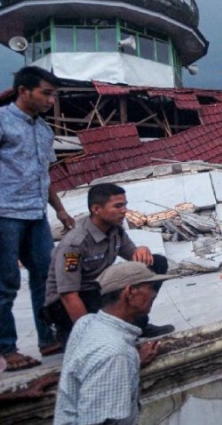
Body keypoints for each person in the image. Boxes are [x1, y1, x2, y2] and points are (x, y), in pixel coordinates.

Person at [0, 66, 74, 371]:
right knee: (6, 283)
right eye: (46, 93)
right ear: (23, 91)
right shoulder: (3, 120)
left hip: (36, 215)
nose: (51, 100)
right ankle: (7, 350)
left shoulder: (45, 131)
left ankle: (47, 339)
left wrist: (59, 209)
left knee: (47, 278)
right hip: (4, 213)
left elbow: (44, 175)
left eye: (54, 94)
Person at [43, 182, 174, 344]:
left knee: (156, 263)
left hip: (98, 289)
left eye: (125, 205)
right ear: (96, 209)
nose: (124, 210)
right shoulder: (74, 243)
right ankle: (73, 333)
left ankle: (139, 324)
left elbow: (133, 256)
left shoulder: (114, 229)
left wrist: (141, 249)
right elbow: (68, 295)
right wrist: (91, 336)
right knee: (96, 329)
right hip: (69, 301)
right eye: (118, 206)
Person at [54, 261, 168, 425]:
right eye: (150, 287)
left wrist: (133, 361)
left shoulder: (86, 322)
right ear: (129, 292)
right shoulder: (115, 353)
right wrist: (123, 360)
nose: (154, 294)